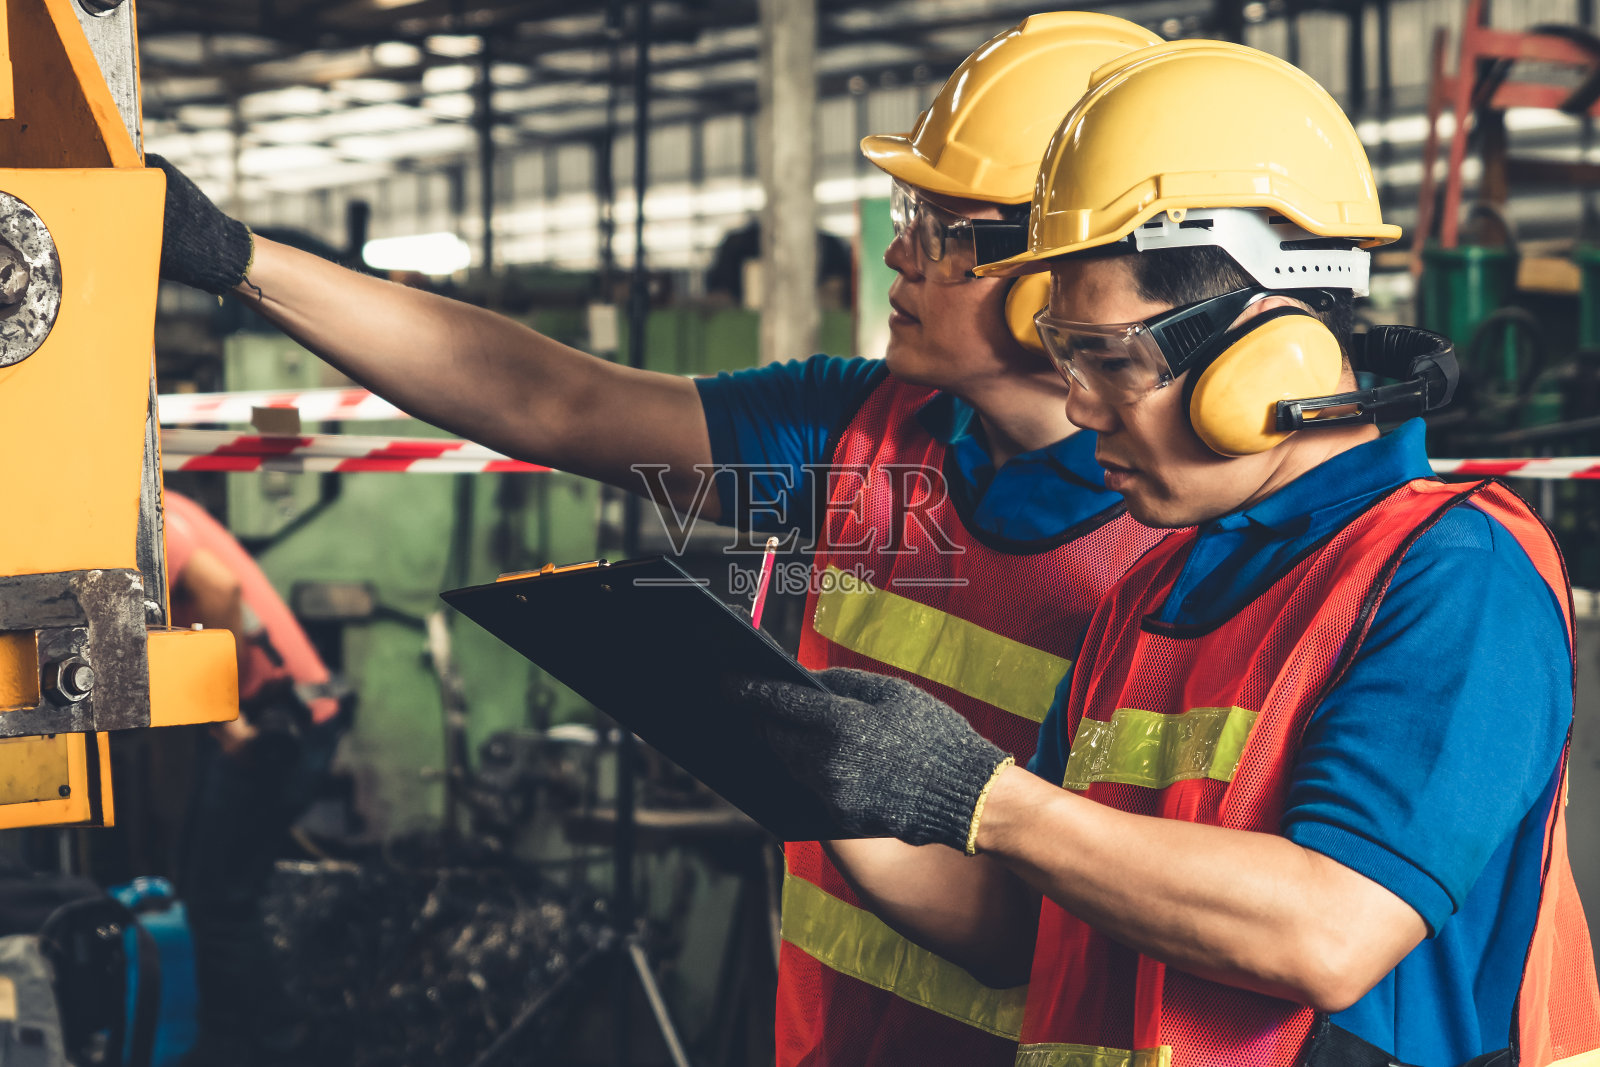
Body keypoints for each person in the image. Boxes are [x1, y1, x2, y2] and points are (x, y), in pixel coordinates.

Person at [148, 14, 1170, 1064]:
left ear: (1064, 276)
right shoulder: (858, 433)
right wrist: (236, 258)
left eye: (945, 229)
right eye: (911, 212)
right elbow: (554, 400)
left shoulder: (1187, 538)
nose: (897, 249)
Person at [731, 40, 1600, 1067]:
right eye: (1065, 355)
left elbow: (1329, 929)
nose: (1078, 402)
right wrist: (836, 782)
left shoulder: (1452, 571)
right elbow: (1018, 925)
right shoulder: (1149, 596)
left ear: (1266, 355)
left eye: (1107, 359)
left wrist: (985, 796)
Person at [164, 489, 349, 1064]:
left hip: (275, 725)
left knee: (219, 904)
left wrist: (226, 716)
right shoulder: (164, 495)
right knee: (206, 893)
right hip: (289, 713)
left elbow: (220, 590)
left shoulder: (141, 508)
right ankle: (233, 1040)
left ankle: (280, 1043)